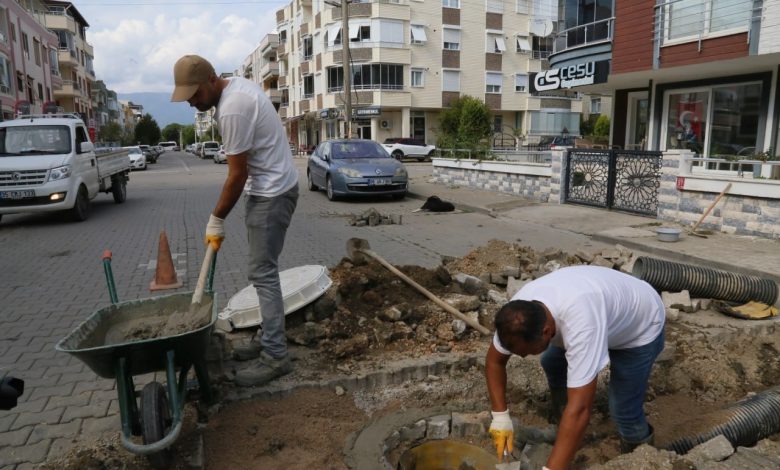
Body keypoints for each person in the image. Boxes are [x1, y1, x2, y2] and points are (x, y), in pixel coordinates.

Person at [171, 55, 299, 387]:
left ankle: (275, 356)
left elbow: (236, 175)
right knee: (261, 271)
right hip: (269, 189)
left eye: (194, 95)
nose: (192, 104)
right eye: (187, 99)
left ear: (211, 80)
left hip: (271, 194)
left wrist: (216, 219)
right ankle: (268, 338)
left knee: (263, 273)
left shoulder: (231, 108)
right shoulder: (235, 90)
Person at [485, 266, 665, 469]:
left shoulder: (582, 324)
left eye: (528, 351)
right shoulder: (516, 315)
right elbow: (495, 361)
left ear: (546, 331)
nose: (524, 356)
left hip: (640, 325)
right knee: (552, 362)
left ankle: (640, 459)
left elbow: (580, 410)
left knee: (623, 410)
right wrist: (500, 418)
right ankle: (566, 430)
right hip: (603, 309)